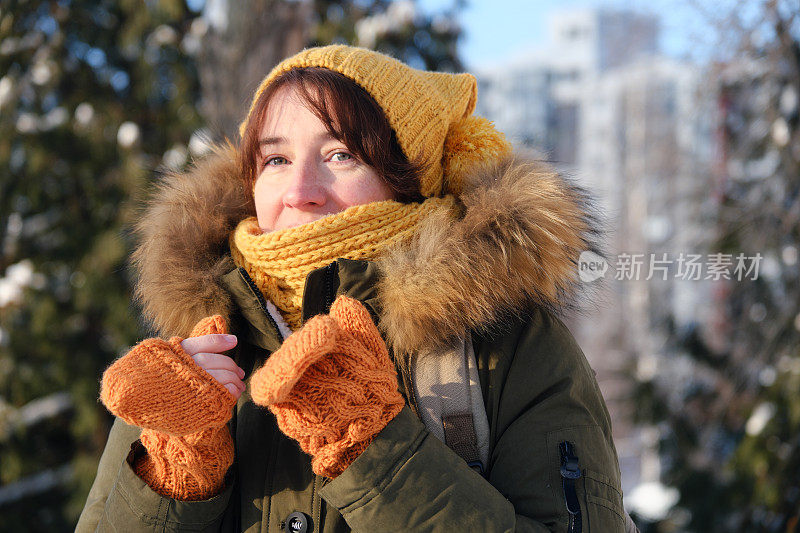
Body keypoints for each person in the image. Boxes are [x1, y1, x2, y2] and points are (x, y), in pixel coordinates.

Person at [77, 44, 633, 532]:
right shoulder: (197, 347)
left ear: (410, 177)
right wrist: (175, 474)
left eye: (341, 155)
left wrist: (373, 449)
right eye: (275, 158)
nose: (299, 191)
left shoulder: (506, 345)